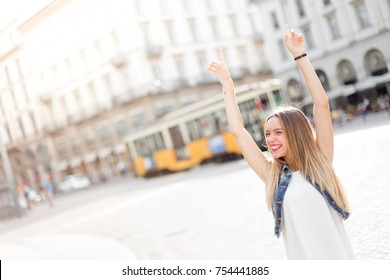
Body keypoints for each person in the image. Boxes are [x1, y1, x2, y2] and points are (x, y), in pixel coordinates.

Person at [206, 24, 355, 260]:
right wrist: (228, 87)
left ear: (296, 133)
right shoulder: (272, 176)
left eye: (278, 133)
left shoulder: (320, 163)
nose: (270, 140)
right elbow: (237, 131)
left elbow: (322, 105)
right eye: (267, 134)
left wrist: (300, 56)